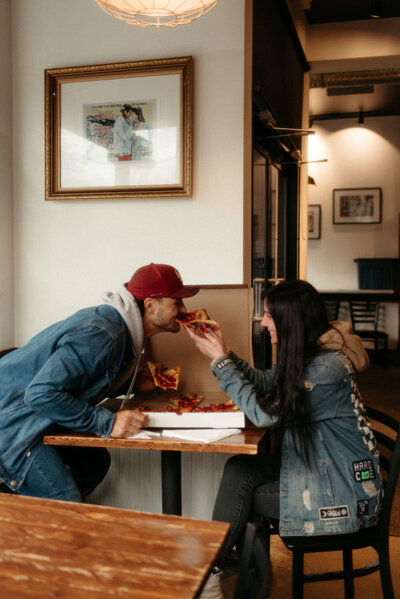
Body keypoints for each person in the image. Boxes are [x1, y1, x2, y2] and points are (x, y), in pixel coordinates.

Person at [184, 280, 382, 599]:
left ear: (291, 320)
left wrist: (220, 361)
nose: (263, 323)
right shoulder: (310, 354)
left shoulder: (324, 369)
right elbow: (266, 383)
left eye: (268, 316)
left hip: (346, 495)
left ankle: (217, 574)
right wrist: (224, 351)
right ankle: (239, 576)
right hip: (324, 470)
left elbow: (264, 415)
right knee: (239, 469)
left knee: (248, 500)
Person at [0, 263, 199, 502]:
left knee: (94, 463)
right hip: (12, 425)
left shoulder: (123, 330)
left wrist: (131, 385)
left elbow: (81, 377)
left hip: (33, 417)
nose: (184, 308)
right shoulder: (105, 334)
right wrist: (108, 423)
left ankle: (28, 509)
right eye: (176, 302)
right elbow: (42, 394)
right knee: (67, 500)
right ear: (150, 304)